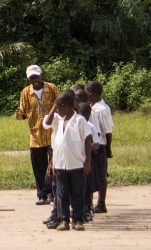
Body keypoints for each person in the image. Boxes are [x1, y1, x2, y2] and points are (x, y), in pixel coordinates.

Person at [45, 90, 92, 231]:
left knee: (78, 193)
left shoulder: (80, 120)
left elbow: (88, 140)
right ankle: (64, 220)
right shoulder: (60, 121)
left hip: (76, 164)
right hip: (60, 165)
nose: (57, 111)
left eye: (58, 107)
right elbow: (58, 145)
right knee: (62, 193)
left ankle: (78, 220)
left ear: (64, 106)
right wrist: (53, 162)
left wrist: (87, 162)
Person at [15, 64, 60, 204]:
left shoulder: (51, 88)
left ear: (41, 75)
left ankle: (53, 193)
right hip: (35, 136)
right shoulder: (26, 92)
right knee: (39, 168)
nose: (34, 79)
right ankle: (42, 195)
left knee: (54, 166)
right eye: (31, 77)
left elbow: (60, 105)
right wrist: (20, 116)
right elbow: (23, 111)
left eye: (36, 76)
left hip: (52, 134)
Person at [85, 80, 113, 213]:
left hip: (100, 145)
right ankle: (89, 204)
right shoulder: (93, 107)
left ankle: (101, 203)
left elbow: (108, 131)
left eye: (86, 92)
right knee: (91, 174)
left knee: (101, 175)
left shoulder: (101, 109)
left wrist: (108, 149)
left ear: (92, 93)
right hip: (94, 145)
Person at [78, 102, 100, 222]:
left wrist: (87, 146)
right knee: (80, 185)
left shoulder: (90, 126)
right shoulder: (76, 124)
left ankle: (87, 207)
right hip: (77, 159)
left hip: (87, 159)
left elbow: (96, 145)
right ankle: (79, 209)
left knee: (89, 185)